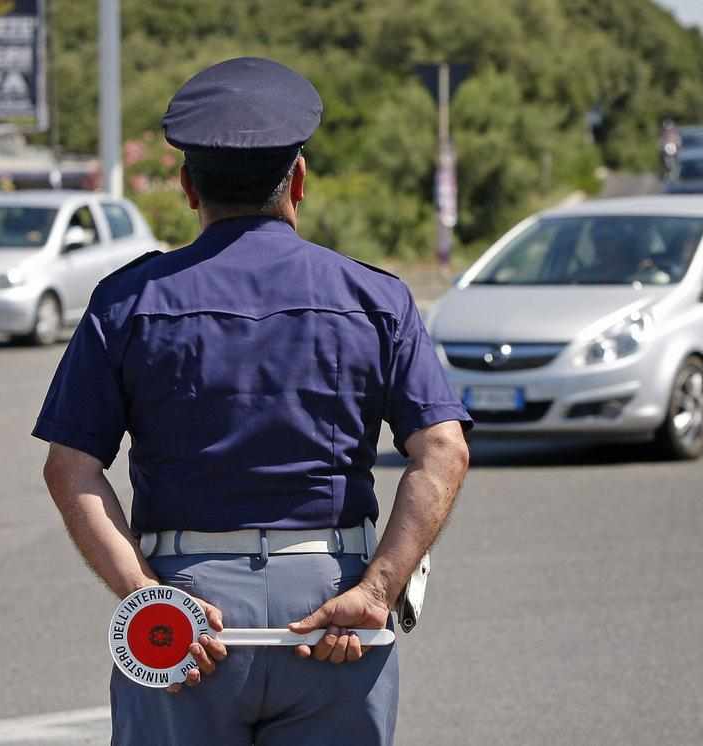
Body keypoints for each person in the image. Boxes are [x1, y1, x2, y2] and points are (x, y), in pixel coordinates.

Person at [34, 57, 472, 746]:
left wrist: (147, 595)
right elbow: (442, 447)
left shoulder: (129, 303)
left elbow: (71, 468)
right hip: (336, 613)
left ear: (186, 187)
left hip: (187, 612)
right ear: (297, 182)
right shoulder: (375, 298)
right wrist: (379, 590)